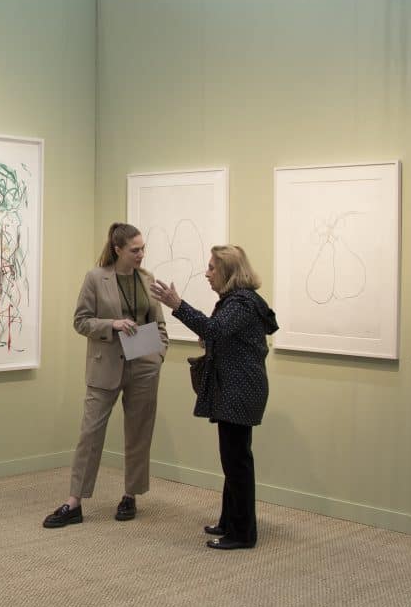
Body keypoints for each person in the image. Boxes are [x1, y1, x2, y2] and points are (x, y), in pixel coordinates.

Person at [150, 245, 278, 550]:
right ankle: (229, 521)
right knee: (233, 459)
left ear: (228, 272)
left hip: (240, 389)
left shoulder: (242, 302)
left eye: (211, 268)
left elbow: (215, 328)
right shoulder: (237, 301)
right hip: (237, 387)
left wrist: (177, 304)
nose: (207, 273)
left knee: (237, 462)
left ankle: (242, 533)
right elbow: (221, 335)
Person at [43, 223, 169, 529]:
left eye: (143, 249)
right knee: (90, 434)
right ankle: (74, 502)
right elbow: (81, 321)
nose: (141, 255)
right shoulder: (96, 278)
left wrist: (159, 355)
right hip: (105, 364)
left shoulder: (147, 278)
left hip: (143, 365)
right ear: (118, 250)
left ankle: (131, 495)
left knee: (139, 433)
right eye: (135, 250)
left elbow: (159, 324)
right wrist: (111, 325)